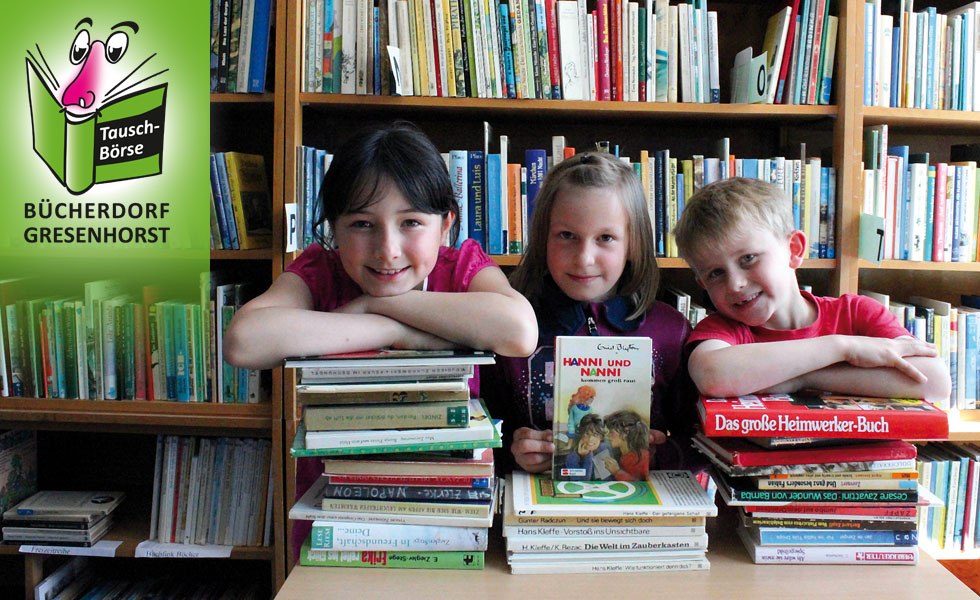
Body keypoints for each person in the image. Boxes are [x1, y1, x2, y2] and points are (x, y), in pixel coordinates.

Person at [223, 122, 538, 558]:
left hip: (446, 519)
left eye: (410, 222)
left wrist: (384, 308)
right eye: (361, 224)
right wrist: (393, 328)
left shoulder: (461, 266)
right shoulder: (321, 270)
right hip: (338, 521)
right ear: (333, 228)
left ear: (446, 224)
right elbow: (244, 341)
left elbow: (519, 331)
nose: (387, 249)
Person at [482, 152, 699, 475]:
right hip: (535, 512)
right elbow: (477, 442)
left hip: (644, 512)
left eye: (606, 238)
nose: (584, 258)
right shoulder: (507, 329)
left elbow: (702, 444)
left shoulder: (670, 332)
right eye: (567, 236)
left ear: (634, 244)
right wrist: (514, 453)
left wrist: (660, 456)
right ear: (543, 239)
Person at [672, 177, 951, 403]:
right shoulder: (722, 329)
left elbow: (935, 381)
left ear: (794, 250)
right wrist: (844, 348)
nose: (735, 284)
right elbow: (713, 375)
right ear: (703, 284)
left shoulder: (856, 313)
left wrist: (802, 378)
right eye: (716, 273)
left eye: (748, 259)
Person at [601, 409, 651, 481]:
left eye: (611, 432)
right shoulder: (621, 454)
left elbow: (647, 486)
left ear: (626, 433)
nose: (608, 436)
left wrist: (617, 472)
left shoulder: (644, 457)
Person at [563, 414, 608, 481]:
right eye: (587, 434)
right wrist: (587, 456)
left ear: (601, 437)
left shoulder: (603, 449)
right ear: (581, 434)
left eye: (595, 434)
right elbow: (583, 483)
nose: (590, 439)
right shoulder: (572, 458)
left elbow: (607, 480)